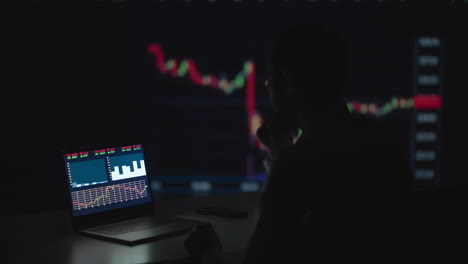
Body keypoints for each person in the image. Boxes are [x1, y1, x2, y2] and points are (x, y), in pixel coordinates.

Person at [184, 24, 414, 263]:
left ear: (287, 83)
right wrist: (281, 153)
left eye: (270, 81)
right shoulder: (383, 145)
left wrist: (209, 252)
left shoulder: (295, 167)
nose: (269, 92)